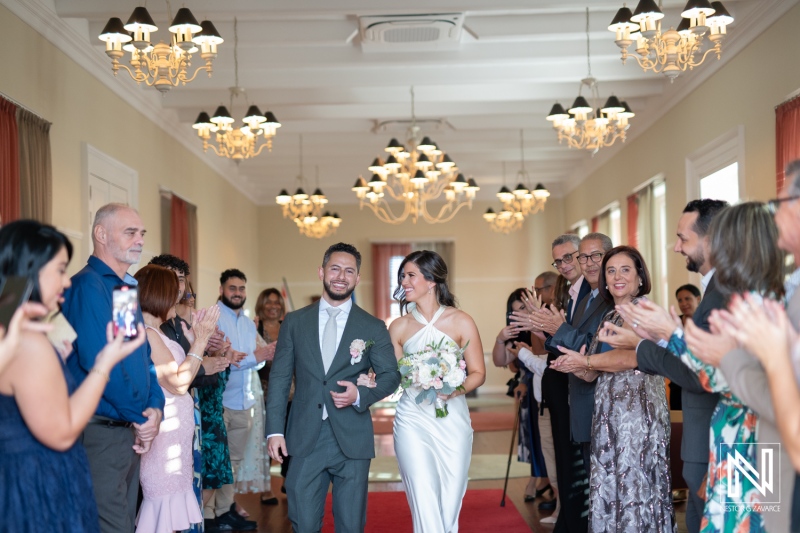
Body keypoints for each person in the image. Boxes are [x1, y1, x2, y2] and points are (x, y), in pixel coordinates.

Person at [620, 202, 783, 532]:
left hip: (752, 437)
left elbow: (719, 375)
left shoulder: (757, 302)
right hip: (731, 432)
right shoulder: (750, 297)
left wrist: (671, 335)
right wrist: (668, 335)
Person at [574, 199, 728, 533]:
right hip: (700, 432)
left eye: (682, 239)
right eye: (610, 271)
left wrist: (658, 339)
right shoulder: (610, 313)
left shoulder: (729, 291)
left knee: (641, 489)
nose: (676, 247)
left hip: (652, 419)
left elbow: (704, 369)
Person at [0, 220, 146, 532]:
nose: (66, 282)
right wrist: (104, 364)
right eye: (59, 270)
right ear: (30, 271)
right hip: (36, 482)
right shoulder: (28, 340)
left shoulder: (12, 331)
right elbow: (62, 430)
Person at [266, 243, 401, 533]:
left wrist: (359, 395)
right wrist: (275, 430)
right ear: (322, 271)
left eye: (349, 270)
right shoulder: (294, 322)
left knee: (351, 525)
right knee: (303, 523)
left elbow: (391, 375)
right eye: (335, 268)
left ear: (357, 278)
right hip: (303, 437)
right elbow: (279, 378)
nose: (341, 276)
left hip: (351, 438)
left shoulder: (372, 326)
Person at [552, 246, 674, 532]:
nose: (617, 276)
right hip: (611, 416)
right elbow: (597, 370)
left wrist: (586, 360)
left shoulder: (643, 311)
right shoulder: (614, 314)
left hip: (636, 419)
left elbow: (632, 358)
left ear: (640, 278)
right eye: (611, 271)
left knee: (634, 489)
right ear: (604, 280)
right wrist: (576, 365)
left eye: (625, 269)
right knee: (614, 489)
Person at [62, 203, 165, 533]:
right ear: (101, 234)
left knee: (123, 523)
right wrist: (140, 417)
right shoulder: (88, 286)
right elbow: (100, 363)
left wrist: (155, 410)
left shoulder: (124, 289)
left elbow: (141, 359)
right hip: (100, 432)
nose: (139, 240)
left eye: (141, 233)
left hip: (127, 432)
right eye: (130, 232)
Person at [135, 264, 220, 533]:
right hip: (163, 445)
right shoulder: (148, 334)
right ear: (159, 295)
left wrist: (197, 338)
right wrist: (201, 339)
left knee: (172, 521)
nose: (179, 299)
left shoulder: (157, 332)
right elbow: (179, 383)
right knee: (163, 519)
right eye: (174, 293)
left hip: (175, 442)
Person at [206, 268, 269, 531]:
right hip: (219, 402)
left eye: (242, 289)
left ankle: (224, 511)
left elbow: (255, 361)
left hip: (244, 402)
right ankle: (208, 516)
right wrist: (258, 354)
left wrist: (257, 356)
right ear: (222, 290)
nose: (238, 293)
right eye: (232, 288)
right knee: (216, 461)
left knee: (233, 462)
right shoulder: (213, 318)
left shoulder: (246, 323)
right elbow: (228, 362)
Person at [492, 287, 550, 505]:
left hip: (543, 389)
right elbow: (502, 362)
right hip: (528, 392)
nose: (521, 314)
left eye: (524, 308)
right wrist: (500, 339)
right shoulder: (515, 332)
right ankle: (538, 477)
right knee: (534, 439)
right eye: (516, 311)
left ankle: (543, 480)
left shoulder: (543, 326)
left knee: (545, 439)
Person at [243, 288, 285, 504]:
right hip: (266, 391)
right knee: (268, 440)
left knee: (294, 437)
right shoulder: (254, 327)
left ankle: (289, 479)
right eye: (268, 302)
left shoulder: (287, 326)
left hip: (292, 391)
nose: (273, 306)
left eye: (276, 302)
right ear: (261, 304)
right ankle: (266, 488)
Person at [669, 284, 701, 411]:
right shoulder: (673, 323)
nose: (683, 303)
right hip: (677, 380)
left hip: (699, 380)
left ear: (698, 299)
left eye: (687, 299)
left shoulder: (705, 322)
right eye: (680, 300)